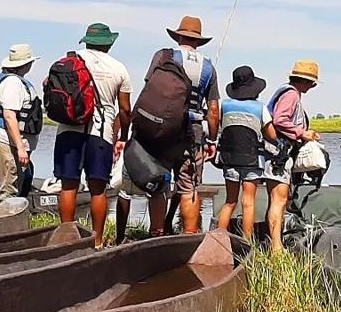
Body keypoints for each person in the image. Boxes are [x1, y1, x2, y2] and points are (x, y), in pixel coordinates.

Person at [54, 23, 132, 248]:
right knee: (98, 188)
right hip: (101, 133)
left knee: (69, 185)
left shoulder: (68, 61)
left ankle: (66, 242)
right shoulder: (119, 69)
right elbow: (125, 110)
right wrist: (123, 136)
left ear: (86, 41)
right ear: (109, 43)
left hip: (68, 129)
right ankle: (97, 242)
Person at [143, 15, 220, 234]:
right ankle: (188, 237)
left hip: (160, 132)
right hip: (193, 135)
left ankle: (156, 235)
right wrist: (212, 139)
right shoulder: (208, 67)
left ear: (178, 37)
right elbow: (213, 110)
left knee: (158, 186)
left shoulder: (164, 56)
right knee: (189, 189)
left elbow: (150, 90)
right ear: (199, 41)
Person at [262, 60, 323, 251]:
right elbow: (280, 119)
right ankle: (276, 247)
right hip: (279, 156)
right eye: (312, 83)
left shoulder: (285, 92)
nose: (312, 87)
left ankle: (272, 240)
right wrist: (302, 133)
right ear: (306, 82)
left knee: (275, 199)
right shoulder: (292, 95)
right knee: (279, 200)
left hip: (273, 154)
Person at [215, 66, 278, 240]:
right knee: (248, 202)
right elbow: (272, 135)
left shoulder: (225, 105)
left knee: (230, 201)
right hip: (252, 160)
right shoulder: (260, 108)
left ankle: (218, 238)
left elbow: (218, 124)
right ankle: (246, 242)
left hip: (229, 160)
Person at [0, 44, 41, 199]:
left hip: (11, 142)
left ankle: (16, 218)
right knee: (7, 190)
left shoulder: (14, 81)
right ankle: (5, 221)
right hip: (4, 140)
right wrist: (21, 148)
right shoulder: (13, 83)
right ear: (26, 64)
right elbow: (9, 116)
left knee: (21, 182)